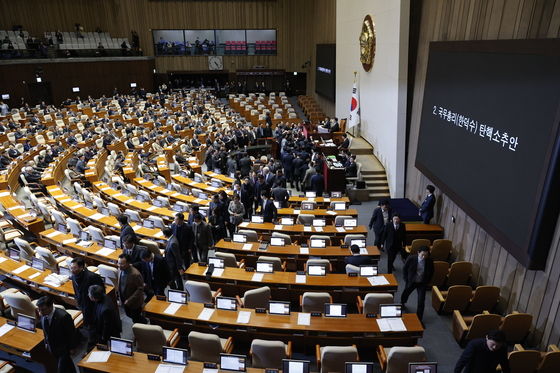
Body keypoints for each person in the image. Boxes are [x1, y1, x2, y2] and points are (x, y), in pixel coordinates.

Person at [36, 296, 79, 373]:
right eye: (39, 309)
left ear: (50, 307)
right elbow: (45, 330)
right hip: (52, 347)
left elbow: (71, 333)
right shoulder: (43, 315)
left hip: (63, 348)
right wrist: (46, 342)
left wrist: (72, 348)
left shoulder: (64, 316)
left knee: (60, 369)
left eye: (42, 310)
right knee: (68, 364)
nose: (40, 312)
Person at [70, 258, 105, 346]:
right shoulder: (74, 276)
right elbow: (76, 289)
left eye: (74, 268)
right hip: (83, 305)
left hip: (93, 306)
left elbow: (101, 291)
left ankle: (94, 344)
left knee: (94, 327)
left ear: (81, 267)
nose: (72, 270)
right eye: (71, 268)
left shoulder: (92, 277)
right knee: (90, 326)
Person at [400, 246, 434, 321]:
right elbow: (405, 269)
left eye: (426, 255)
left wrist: (427, 281)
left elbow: (431, 272)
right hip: (412, 281)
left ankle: (419, 319)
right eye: (422, 255)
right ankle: (402, 302)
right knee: (406, 293)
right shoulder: (411, 258)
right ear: (418, 252)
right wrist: (406, 279)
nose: (424, 257)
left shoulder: (429, 261)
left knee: (421, 301)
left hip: (422, 283)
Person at [117, 253, 146, 323]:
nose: (119, 266)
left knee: (135, 318)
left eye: (122, 264)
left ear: (128, 263)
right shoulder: (120, 269)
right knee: (128, 314)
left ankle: (144, 324)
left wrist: (129, 300)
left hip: (134, 302)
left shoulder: (135, 274)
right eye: (118, 263)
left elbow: (140, 289)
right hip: (124, 299)